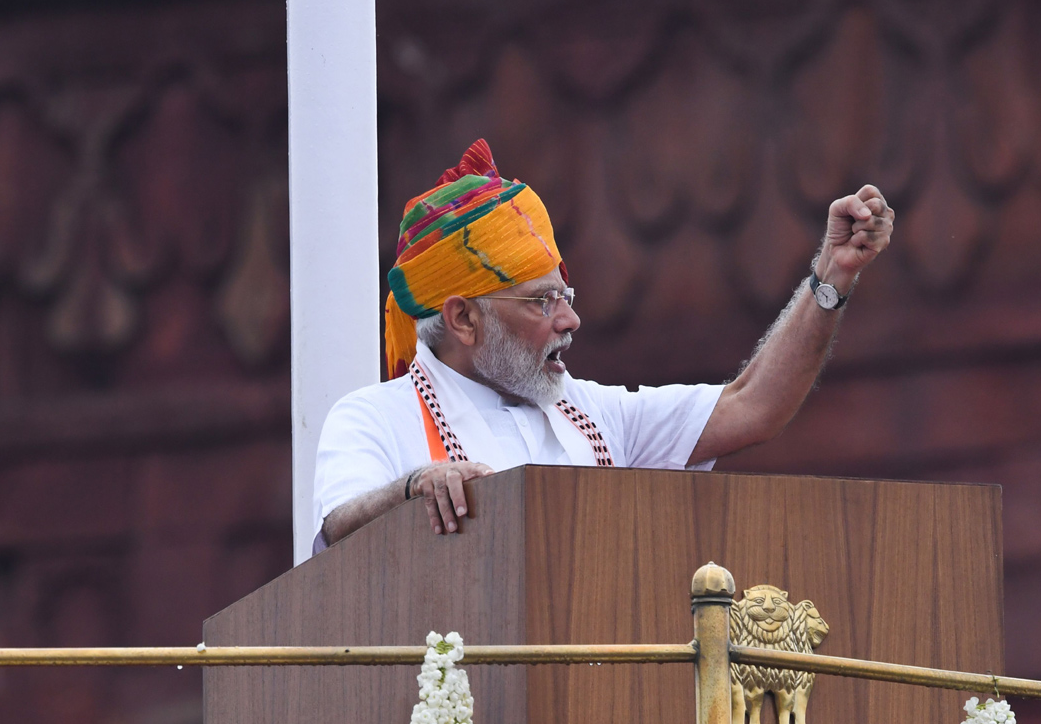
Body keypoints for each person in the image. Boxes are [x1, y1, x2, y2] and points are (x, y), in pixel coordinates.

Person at [312, 139, 892, 552]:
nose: (571, 319)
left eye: (565, 294)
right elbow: (337, 530)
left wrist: (832, 275)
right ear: (463, 319)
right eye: (542, 301)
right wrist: (416, 488)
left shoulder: (595, 414)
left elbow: (753, 406)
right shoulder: (374, 419)